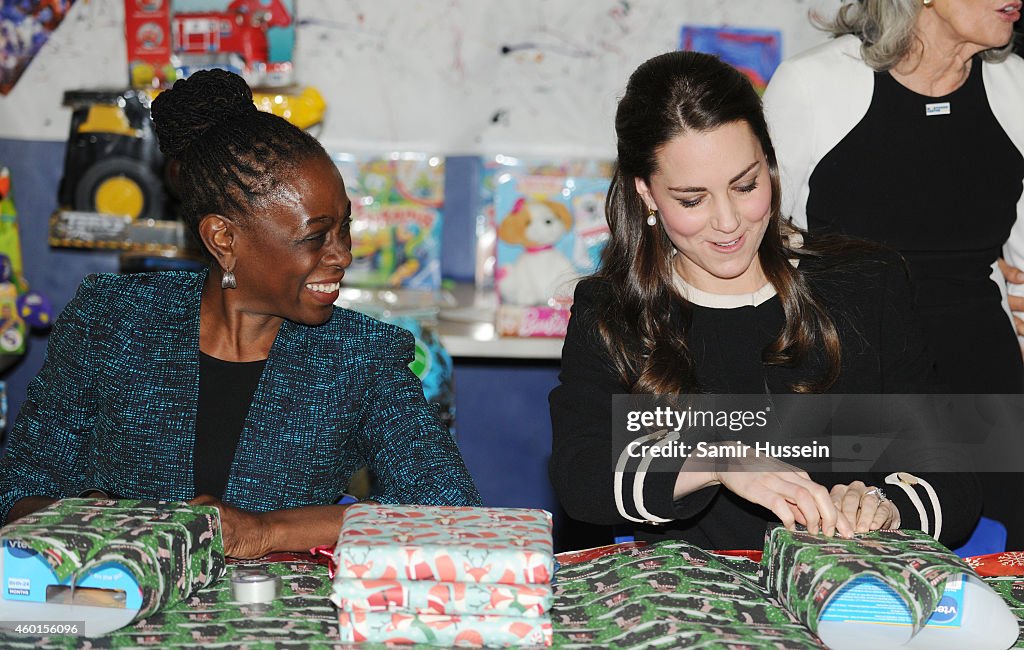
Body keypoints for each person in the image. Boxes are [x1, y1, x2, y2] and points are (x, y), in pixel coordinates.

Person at [0, 69, 481, 558]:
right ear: (224, 239)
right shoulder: (113, 321)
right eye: (315, 236)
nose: (341, 255)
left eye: (344, 227)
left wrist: (264, 531)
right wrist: (98, 514)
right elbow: (20, 489)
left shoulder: (359, 356)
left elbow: (449, 509)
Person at [549, 51, 980, 551]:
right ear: (646, 193)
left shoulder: (864, 284)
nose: (728, 221)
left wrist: (886, 508)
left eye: (745, 185)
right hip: (701, 612)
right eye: (693, 200)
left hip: (850, 601)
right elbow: (581, 478)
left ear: (770, 167)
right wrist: (718, 459)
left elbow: (956, 475)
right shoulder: (614, 311)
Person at [762, 0, 1024, 548]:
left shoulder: (1018, 87)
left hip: (985, 379)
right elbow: (760, 244)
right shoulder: (811, 84)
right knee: (849, 560)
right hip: (850, 376)